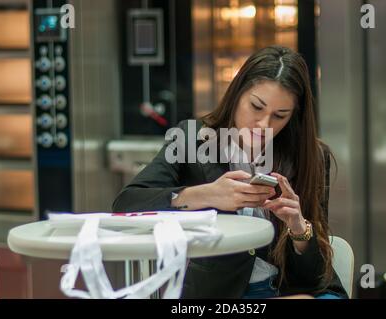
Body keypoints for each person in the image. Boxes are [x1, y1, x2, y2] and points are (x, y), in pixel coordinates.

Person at [112, 45, 348, 299]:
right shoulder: (192, 140)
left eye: (280, 115)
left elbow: (312, 279)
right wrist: (207, 195)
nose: (264, 125)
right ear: (237, 94)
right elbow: (126, 204)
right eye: (256, 107)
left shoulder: (311, 156)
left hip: (292, 289)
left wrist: (299, 228)